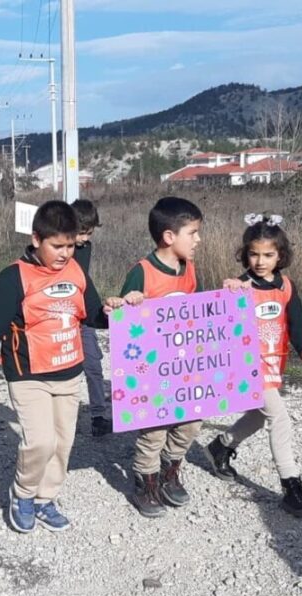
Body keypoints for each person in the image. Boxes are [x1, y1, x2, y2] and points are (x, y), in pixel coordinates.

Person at [0, 200, 130, 534]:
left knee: (62, 443)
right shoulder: (14, 277)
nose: (66, 253)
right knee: (39, 441)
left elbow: (93, 314)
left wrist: (112, 312)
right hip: (28, 375)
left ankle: (45, 498)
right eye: (58, 246)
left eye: (71, 245)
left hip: (69, 372)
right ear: (37, 239)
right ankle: (22, 495)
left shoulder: (77, 271)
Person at [206, 213, 302, 518]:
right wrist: (229, 293)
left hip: (274, 364)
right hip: (248, 366)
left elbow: (297, 320)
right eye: (253, 254)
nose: (260, 261)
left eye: (268, 254)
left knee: (258, 416)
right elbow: (220, 322)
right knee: (279, 418)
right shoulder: (240, 286)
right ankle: (291, 486)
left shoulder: (286, 286)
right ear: (245, 255)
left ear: (280, 255)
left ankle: (221, 446)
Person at [119, 197, 207, 518]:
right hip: (151, 372)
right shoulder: (141, 272)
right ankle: (147, 481)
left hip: (185, 367)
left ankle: (171, 469)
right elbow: (123, 322)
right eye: (193, 232)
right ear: (169, 237)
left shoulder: (190, 270)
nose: (198, 240)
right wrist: (128, 302)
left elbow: (199, 313)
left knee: (191, 422)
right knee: (153, 430)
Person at [70, 199, 111, 437]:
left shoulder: (86, 248)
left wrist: (98, 314)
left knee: (94, 365)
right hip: (61, 320)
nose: (85, 238)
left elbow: (84, 281)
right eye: (81, 233)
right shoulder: (52, 248)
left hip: (83, 317)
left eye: (89, 233)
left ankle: (98, 416)